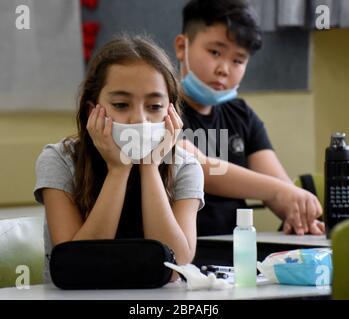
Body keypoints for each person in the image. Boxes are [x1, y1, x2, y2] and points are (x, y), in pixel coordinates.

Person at [34, 35, 204, 282]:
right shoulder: (59, 159)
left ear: (172, 114)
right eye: (122, 105)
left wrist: (149, 166)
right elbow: (78, 266)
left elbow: (175, 268)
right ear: (93, 111)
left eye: (155, 106)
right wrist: (118, 169)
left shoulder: (186, 167)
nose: (139, 119)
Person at [174, 0, 325, 236]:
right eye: (215, 52)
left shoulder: (241, 114)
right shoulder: (158, 105)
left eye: (238, 60)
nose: (224, 68)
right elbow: (197, 166)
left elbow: (277, 183)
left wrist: (298, 213)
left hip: (237, 248)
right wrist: (277, 191)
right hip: (183, 249)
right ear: (182, 46)